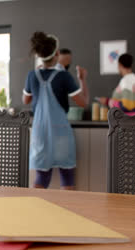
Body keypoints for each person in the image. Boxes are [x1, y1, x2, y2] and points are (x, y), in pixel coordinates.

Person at [22, 32, 89, 190]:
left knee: (41, 178)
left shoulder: (32, 75)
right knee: (67, 177)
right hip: (61, 134)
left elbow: (25, 100)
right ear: (57, 54)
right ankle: (66, 213)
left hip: (40, 133)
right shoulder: (64, 77)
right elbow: (83, 103)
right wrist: (82, 79)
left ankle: (35, 212)